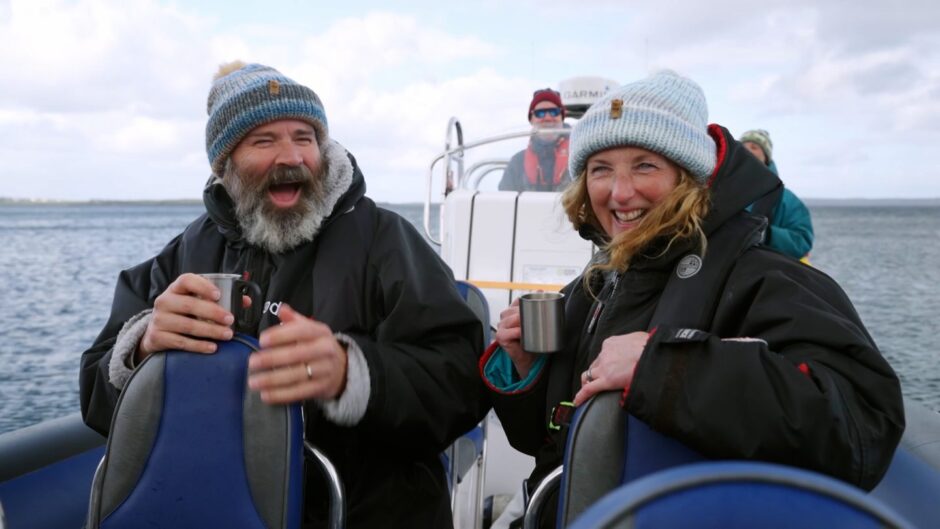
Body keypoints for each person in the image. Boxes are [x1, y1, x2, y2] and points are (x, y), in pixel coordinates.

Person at [481, 70, 904, 526]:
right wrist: (526, 367)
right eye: (601, 169)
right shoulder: (601, 279)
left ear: (689, 178)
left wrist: (661, 367)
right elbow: (545, 443)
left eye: (645, 165)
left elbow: (862, 427)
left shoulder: (761, 275)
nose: (620, 192)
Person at [79, 61, 489, 529]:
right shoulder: (186, 253)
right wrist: (143, 347)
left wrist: (354, 374)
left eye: (304, 137)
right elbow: (95, 395)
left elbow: (463, 384)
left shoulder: (385, 240)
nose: (291, 156)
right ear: (225, 162)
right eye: (264, 140)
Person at [739, 128, 814, 260]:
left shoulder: (787, 200)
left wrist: (766, 235)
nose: (747, 150)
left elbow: (802, 241)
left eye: (754, 147)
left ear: (766, 157)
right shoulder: (718, 188)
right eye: (742, 147)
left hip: (759, 270)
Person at [498, 88, 572, 192]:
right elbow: (504, 201)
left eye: (554, 112)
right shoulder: (517, 163)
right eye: (540, 113)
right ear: (531, 120)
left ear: (562, 117)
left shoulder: (579, 158)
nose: (547, 118)